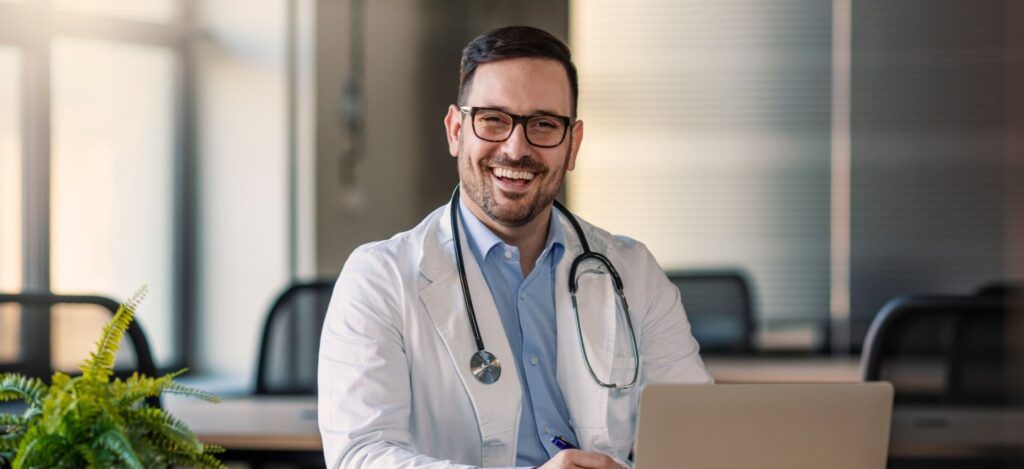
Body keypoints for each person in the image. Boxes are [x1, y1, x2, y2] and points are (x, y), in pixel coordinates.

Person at [318, 26, 712, 469]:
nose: (515, 147)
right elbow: (360, 456)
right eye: (493, 119)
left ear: (573, 143)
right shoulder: (379, 279)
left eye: (544, 124)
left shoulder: (633, 273)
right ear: (455, 131)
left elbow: (696, 437)